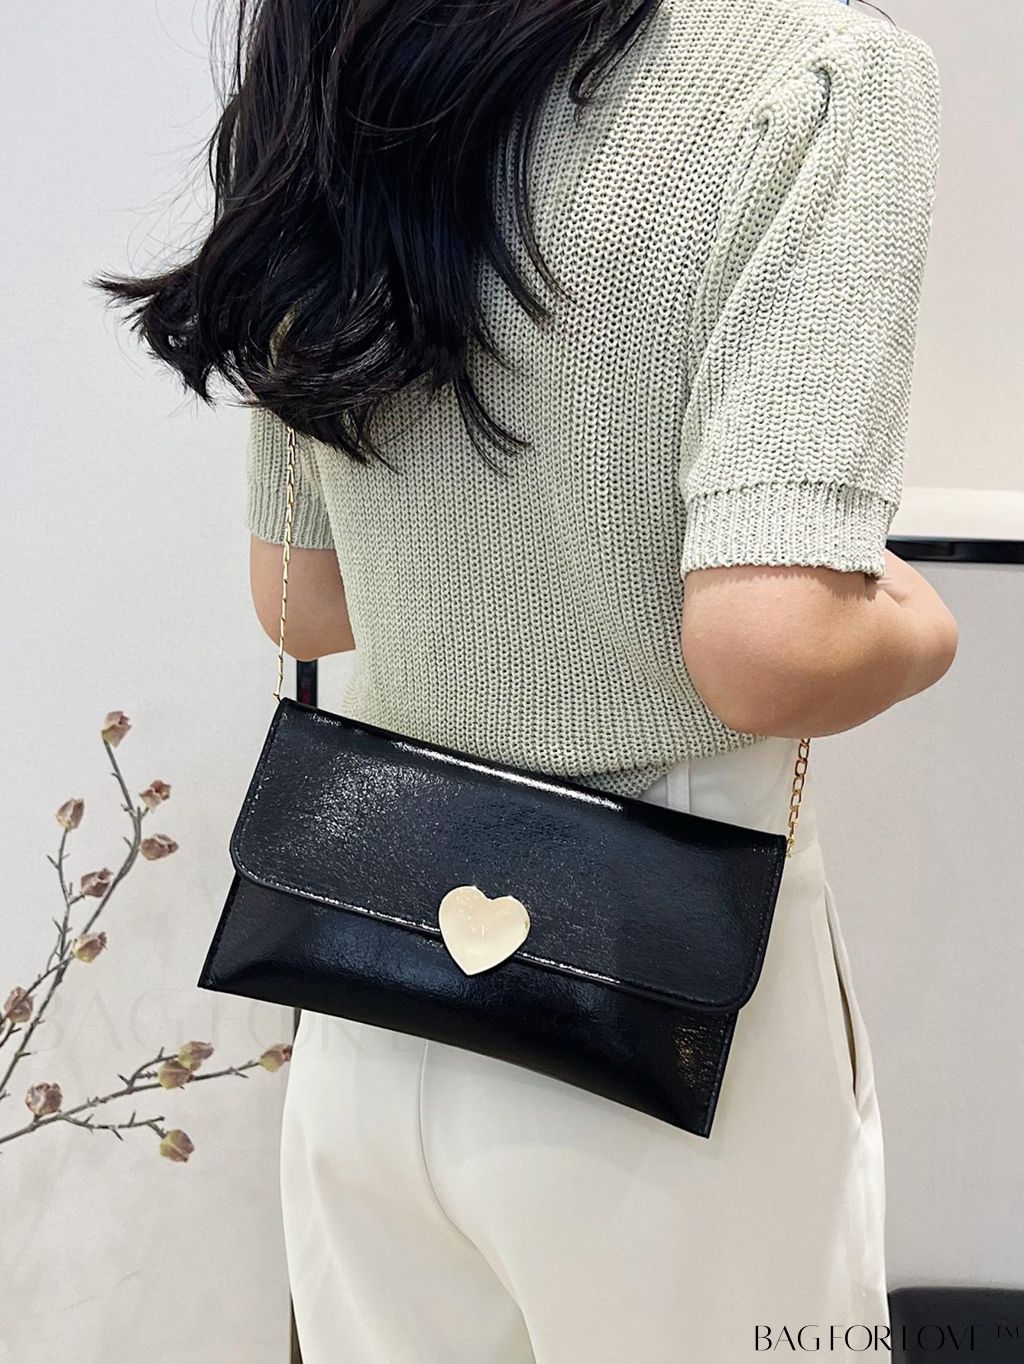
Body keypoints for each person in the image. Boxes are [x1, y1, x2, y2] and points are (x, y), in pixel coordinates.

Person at [96, 0, 958, 1358]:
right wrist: (920, 626)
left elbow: (302, 600)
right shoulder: (817, 73)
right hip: (662, 999)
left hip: (373, 985)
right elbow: (772, 648)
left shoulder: (341, 43)